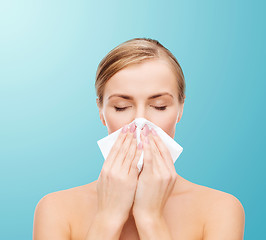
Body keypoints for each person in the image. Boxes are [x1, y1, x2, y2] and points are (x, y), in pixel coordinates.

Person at [33, 38, 245, 240]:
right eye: (121, 107)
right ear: (101, 112)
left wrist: (150, 218)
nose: (140, 123)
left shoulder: (220, 209)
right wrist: (108, 218)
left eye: (159, 106)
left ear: (180, 109)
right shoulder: (55, 209)